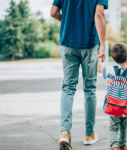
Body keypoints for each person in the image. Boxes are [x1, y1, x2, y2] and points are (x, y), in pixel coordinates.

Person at [50, 0, 108, 149]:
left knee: (68, 88)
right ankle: (89, 134)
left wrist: (69, 22)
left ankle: (64, 132)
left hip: (68, 43)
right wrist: (102, 45)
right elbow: (99, 15)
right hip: (89, 44)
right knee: (89, 89)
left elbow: (53, 12)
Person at [97, 43, 127, 150]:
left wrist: (99, 60)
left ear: (113, 58)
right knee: (124, 126)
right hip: (126, 106)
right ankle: (122, 145)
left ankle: (114, 146)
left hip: (112, 105)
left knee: (113, 126)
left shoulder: (109, 70)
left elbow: (99, 70)